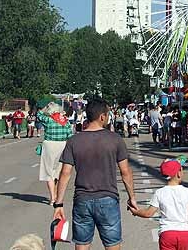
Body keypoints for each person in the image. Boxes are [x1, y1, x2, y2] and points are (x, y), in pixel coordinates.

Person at [53, 99, 139, 250]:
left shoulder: (74, 141)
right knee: (112, 246)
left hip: (82, 201)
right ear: (102, 117)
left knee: (82, 245)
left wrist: (58, 204)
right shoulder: (115, 139)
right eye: (107, 114)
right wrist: (132, 198)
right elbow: (125, 172)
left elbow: (65, 173)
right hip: (108, 200)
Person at [131, 158, 188, 249]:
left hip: (167, 234)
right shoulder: (187, 191)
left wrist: (136, 212)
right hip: (185, 234)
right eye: (182, 169)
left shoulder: (160, 192)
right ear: (178, 173)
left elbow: (148, 213)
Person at [38, 101, 74, 206]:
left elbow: (39, 114)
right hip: (62, 146)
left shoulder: (48, 120)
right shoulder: (65, 121)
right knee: (59, 172)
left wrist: (46, 107)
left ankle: (52, 198)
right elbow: (70, 136)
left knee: (48, 173)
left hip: (49, 146)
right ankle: (58, 196)